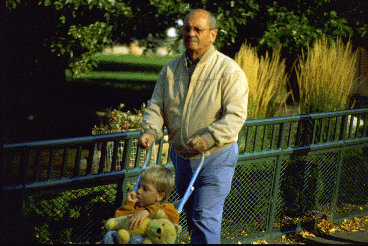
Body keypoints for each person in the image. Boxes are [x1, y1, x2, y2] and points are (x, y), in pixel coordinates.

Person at [138, 9, 249, 244]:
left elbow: (235, 116)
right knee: (189, 217)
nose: (191, 34)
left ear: (213, 35)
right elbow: (156, 106)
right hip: (183, 158)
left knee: (204, 217)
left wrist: (208, 138)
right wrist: (150, 131)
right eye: (187, 28)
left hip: (216, 157)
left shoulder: (228, 71)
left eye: (198, 29)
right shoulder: (170, 70)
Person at [102, 165, 179, 244]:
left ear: (159, 196)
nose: (138, 191)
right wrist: (129, 204)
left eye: (145, 189)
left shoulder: (165, 208)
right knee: (109, 235)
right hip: (125, 238)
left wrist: (149, 211)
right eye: (139, 186)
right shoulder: (135, 205)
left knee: (136, 239)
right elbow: (118, 220)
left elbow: (173, 217)